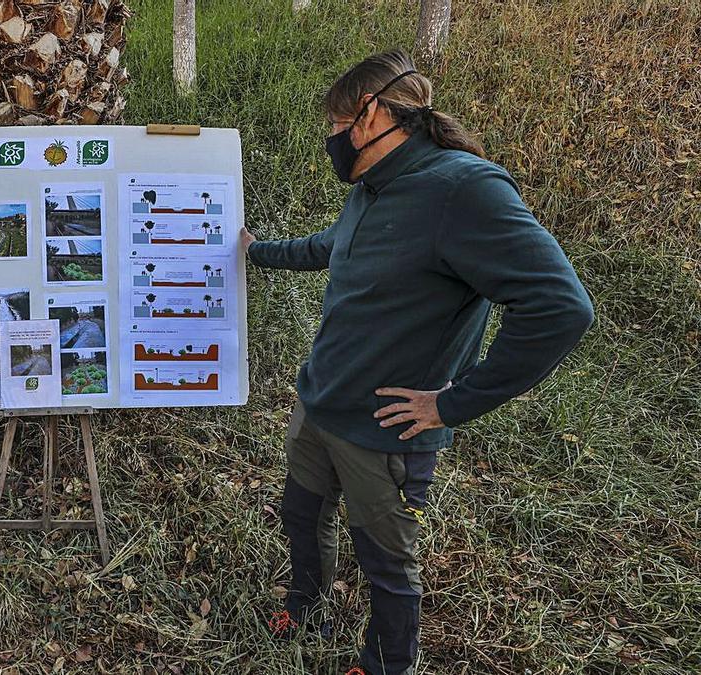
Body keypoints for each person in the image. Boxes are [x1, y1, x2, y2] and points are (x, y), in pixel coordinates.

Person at [242, 50, 594, 675]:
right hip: (320, 401)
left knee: (387, 561)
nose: (329, 141)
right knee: (302, 511)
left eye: (333, 123)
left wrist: (450, 403)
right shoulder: (372, 188)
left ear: (369, 115)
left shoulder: (463, 190)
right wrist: (256, 250)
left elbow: (561, 307)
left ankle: (386, 662)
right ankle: (306, 603)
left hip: (384, 432)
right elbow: (330, 246)